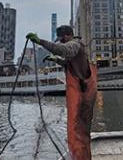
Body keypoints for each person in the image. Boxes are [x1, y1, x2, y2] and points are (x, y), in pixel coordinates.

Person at [26, 26, 97, 160]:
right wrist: (57, 60)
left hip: (84, 94)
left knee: (79, 130)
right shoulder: (75, 47)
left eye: (62, 38)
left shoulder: (75, 44)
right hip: (81, 93)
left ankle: (82, 158)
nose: (61, 41)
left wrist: (40, 41)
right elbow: (69, 62)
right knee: (77, 129)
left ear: (69, 34)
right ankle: (80, 156)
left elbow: (64, 50)